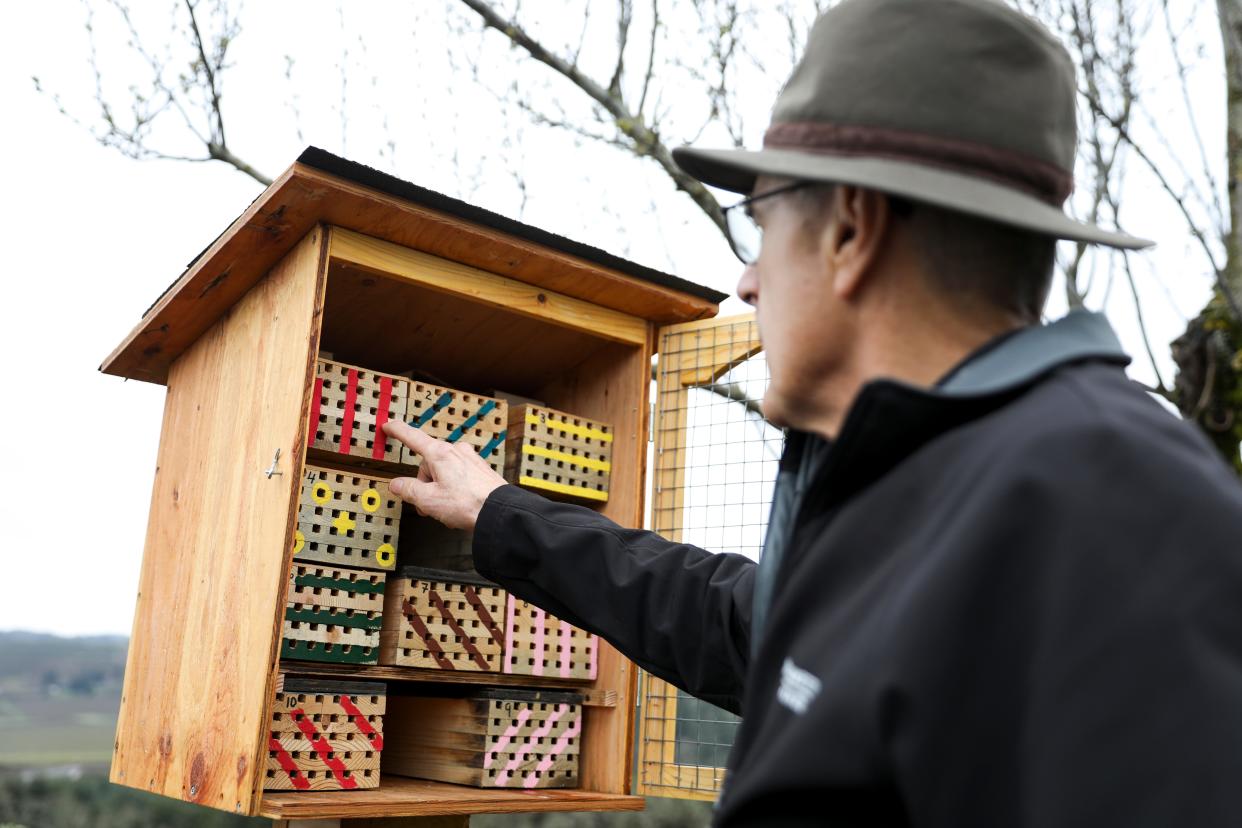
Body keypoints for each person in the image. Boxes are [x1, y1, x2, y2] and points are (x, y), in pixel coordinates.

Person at [382, 0, 1242, 824]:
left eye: (761, 225)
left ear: (850, 232)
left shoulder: (1111, 507)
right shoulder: (918, 483)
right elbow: (734, 626)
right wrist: (501, 514)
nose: (747, 284)